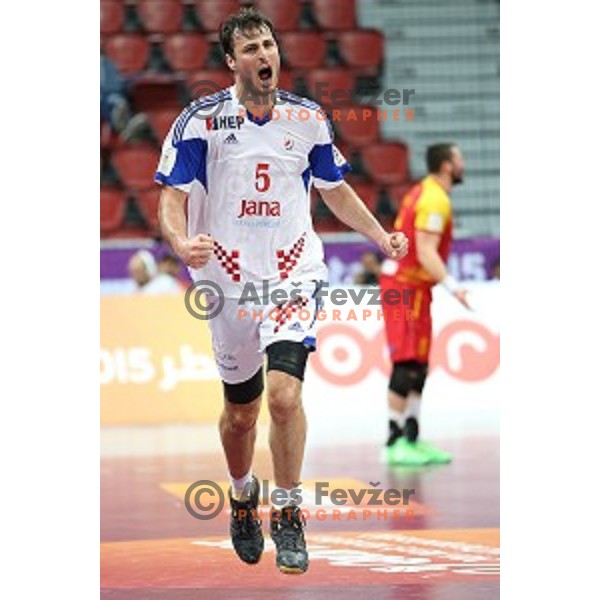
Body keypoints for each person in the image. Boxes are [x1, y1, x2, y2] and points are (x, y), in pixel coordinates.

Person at [155, 7, 408, 574]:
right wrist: (179, 240)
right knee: (240, 414)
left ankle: (288, 511)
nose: (263, 56)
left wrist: (379, 234)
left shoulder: (308, 118)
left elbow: (335, 189)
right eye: (249, 49)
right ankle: (244, 494)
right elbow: (171, 195)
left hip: (293, 274)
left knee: (285, 397)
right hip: (225, 282)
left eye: (268, 44)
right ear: (230, 62)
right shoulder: (201, 121)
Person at [380, 143, 470, 466]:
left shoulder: (429, 192)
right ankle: (392, 442)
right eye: (459, 158)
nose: (464, 163)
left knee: (419, 363)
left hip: (416, 287)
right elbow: (426, 249)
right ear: (447, 165)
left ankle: (412, 437)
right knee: (406, 363)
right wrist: (453, 286)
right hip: (403, 287)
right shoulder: (433, 198)